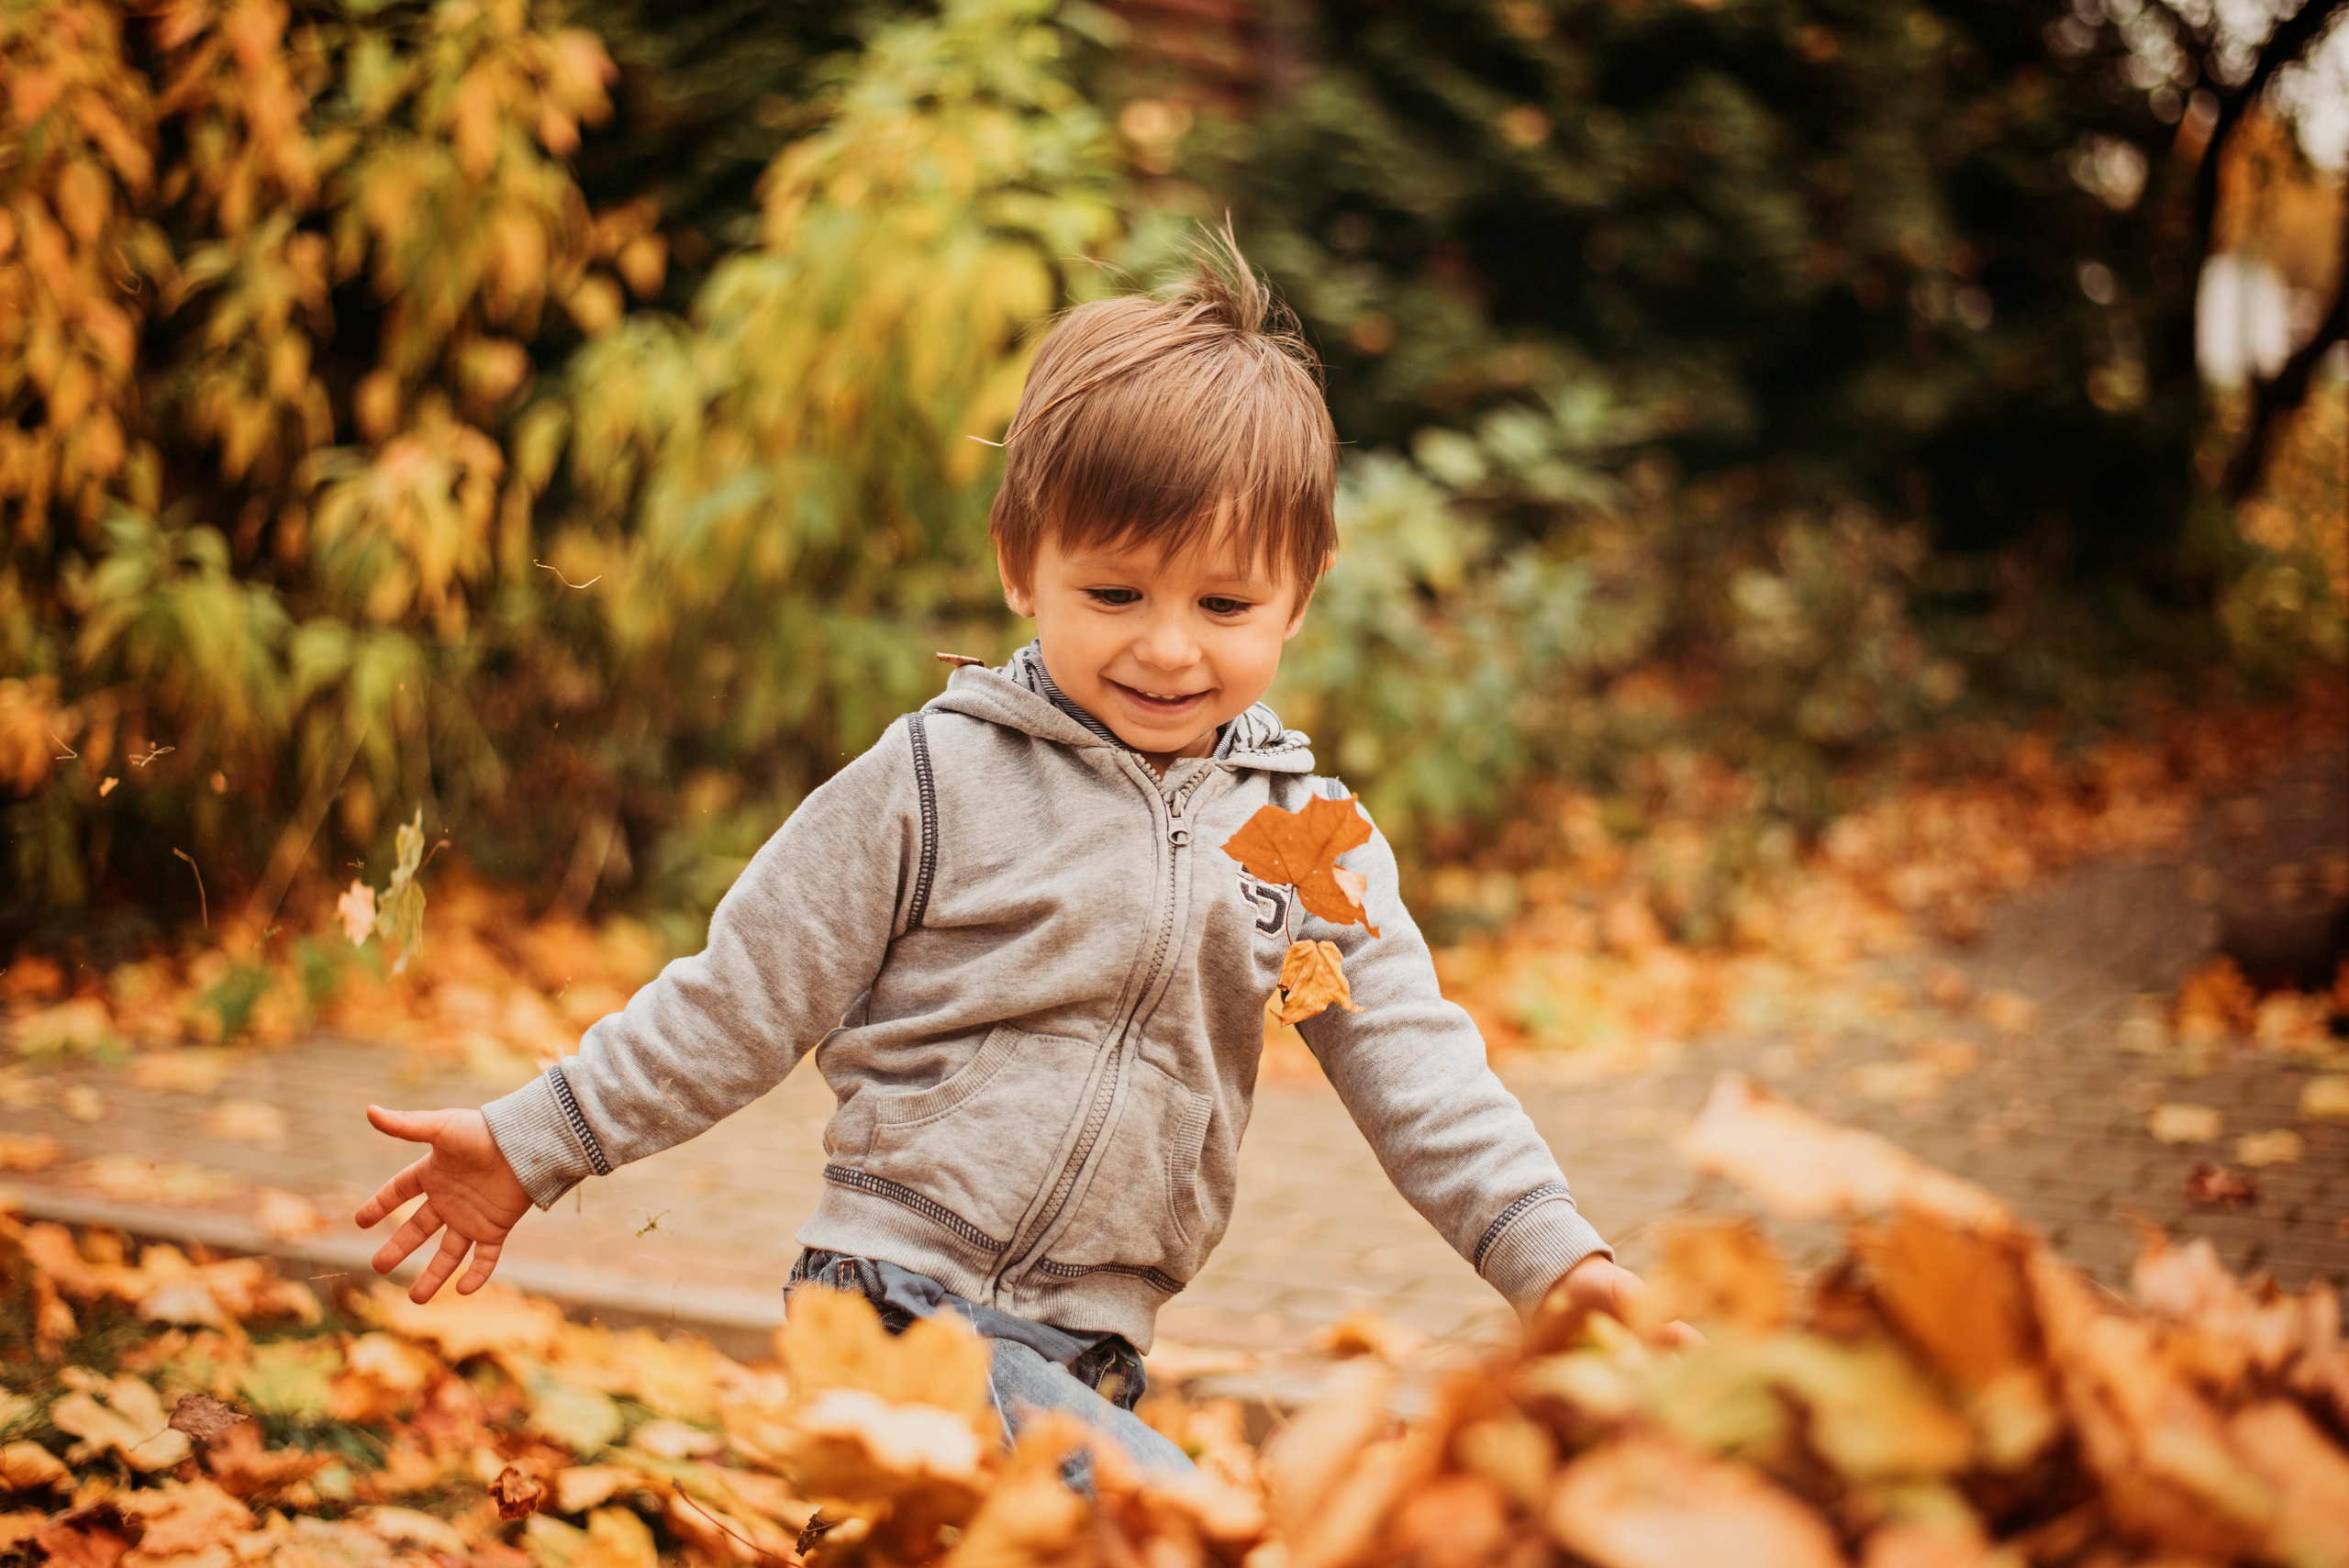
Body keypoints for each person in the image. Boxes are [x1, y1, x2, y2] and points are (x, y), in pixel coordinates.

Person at [356, 230, 1687, 1478]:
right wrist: (538, 1139)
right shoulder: (939, 785)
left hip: (1097, 1353)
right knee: (1172, 1531)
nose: (1168, 646)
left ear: (1301, 593)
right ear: (1019, 564)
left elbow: (1413, 1064)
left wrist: (1559, 1267)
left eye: (1224, 605)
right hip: (894, 1309)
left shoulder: (1301, 842)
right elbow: (746, 993)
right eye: (1114, 593)